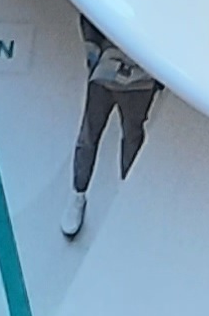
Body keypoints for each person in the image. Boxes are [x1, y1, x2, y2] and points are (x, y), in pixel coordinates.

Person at [62, 17, 162, 238]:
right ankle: (78, 194)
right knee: (89, 134)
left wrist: (159, 77)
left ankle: (125, 199)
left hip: (141, 81)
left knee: (132, 138)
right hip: (105, 73)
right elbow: (89, 15)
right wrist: (93, 57)